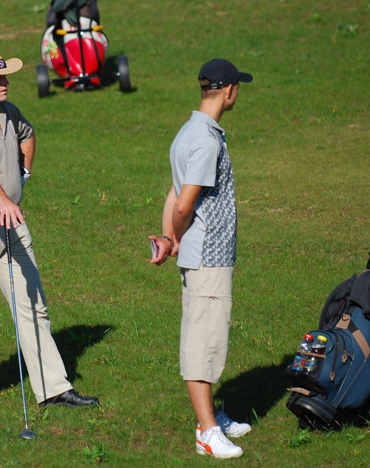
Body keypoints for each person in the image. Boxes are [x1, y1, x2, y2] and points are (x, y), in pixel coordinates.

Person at [0, 48, 99, 410]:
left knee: (34, 306)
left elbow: (28, 134)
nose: (6, 83)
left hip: (10, 224)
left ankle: (54, 388)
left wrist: (23, 173)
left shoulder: (9, 113)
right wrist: (4, 199)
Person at [149, 59, 253, 458]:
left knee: (211, 337)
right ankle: (207, 432)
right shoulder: (207, 139)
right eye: (237, 87)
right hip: (208, 254)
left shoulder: (191, 130)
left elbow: (173, 193)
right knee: (203, 342)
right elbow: (185, 202)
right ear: (228, 91)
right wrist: (176, 233)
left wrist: (168, 239)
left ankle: (212, 417)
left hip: (202, 251)